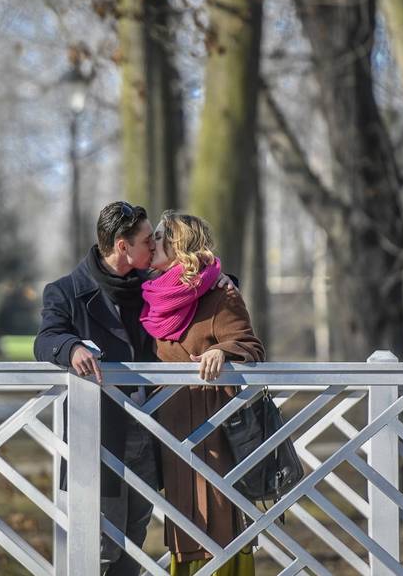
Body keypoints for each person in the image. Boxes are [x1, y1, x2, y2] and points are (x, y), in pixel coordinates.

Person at [34, 201, 233, 575]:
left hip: (149, 430)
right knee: (99, 549)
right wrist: (70, 347)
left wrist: (224, 280)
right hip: (97, 435)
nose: (154, 245)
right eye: (146, 241)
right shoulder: (65, 291)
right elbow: (46, 339)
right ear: (122, 246)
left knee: (134, 546)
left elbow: (196, 284)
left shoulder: (152, 285)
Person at [140, 210, 264, 576]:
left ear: (178, 245)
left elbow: (251, 346)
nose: (152, 243)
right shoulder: (151, 295)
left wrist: (221, 351)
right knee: (183, 522)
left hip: (214, 427)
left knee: (220, 520)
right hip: (171, 427)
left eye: (159, 237)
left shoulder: (221, 294)